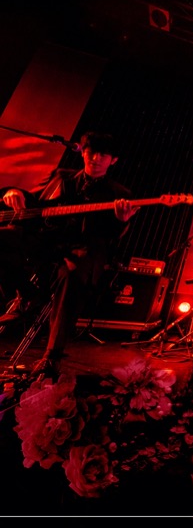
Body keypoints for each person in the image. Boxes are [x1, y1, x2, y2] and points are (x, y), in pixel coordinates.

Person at [0, 131, 138, 378]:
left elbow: (110, 236)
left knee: (72, 277)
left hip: (82, 249)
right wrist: (13, 191)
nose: (95, 158)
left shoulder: (120, 193)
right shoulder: (61, 176)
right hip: (45, 241)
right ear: (82, 152)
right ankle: (29, 294)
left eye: (103, 155)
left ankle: (51, 357)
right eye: (91, 152)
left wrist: (120, 220)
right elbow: (36, 201)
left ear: (113, 160)